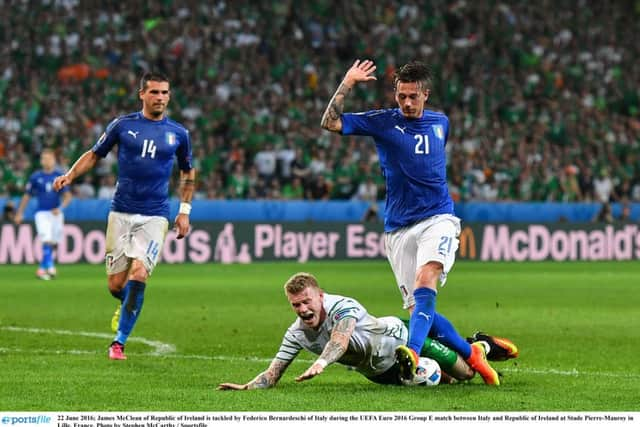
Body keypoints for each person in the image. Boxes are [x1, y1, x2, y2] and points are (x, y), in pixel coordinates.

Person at [320, 60, 500, 385]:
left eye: (412, 97)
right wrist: (347, 82)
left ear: (425, 95)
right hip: (398, 230)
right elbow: (329, 122)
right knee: (421, 310)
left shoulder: (441, 122)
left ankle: (413, 352)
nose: (406, 103)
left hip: (438, 218)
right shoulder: (383, 122)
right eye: (401, 96)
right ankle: (473, 352)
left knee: (426, 277)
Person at [53, 71, 195, 361]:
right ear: (141, 94)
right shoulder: (123, 125)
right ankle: (129, 302)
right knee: (116, 285)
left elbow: (187, 171)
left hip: (156, 215)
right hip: (121, 212)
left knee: (140, 273)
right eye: (154, 92)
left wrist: (184, 210)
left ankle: (118, 343)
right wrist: (70, 175)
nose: (160, 98)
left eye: (165, 93)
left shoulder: (179, 133)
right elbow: (95, 154)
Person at [217, 272, 518, 390]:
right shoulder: (296, 333)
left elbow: (340, 339)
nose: (302, 309)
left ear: (320, 296)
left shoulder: (342, 307)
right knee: (447, 381)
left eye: (306, 301)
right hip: (380, 372)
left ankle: (479, 346)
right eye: (295, 305)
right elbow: (273, 373)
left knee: (465, 375)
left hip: (400, 340)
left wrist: (320, 363)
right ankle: (464, 352)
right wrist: (246, 388)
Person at [14, 149, 72, 280]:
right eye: (44, 158)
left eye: (48, 158)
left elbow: (68, 196)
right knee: (46, 239)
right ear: (41, 161)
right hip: (42, 213)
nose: (46, 161)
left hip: (56, 214)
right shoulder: (36, 177)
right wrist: (19, 213)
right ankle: (51, 268)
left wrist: (60, 208)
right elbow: (27, 196)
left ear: (53, 160)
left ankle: (41, 268)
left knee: (53, 242)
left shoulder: (59, 175)